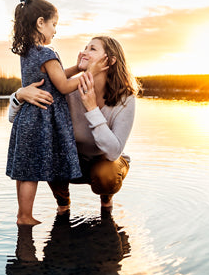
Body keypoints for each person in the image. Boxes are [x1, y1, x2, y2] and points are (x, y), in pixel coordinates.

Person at [9, 36, 139, 212]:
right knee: (50, 151)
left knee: (106, 175)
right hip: (71, 162)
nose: (84, 52)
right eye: (85, 47)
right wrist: (19, 95)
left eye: (92, 49)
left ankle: (106, 200)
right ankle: (63, 205)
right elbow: (14, 118)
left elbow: (114, 152)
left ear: (110, 60)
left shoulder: (126, 99)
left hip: (105, 162)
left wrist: (92, 108)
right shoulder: (68, 91)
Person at [6, 0, 95, 226]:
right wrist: (89, 74)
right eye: (54, 24)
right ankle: (25, 218)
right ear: (40, 23)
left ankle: (22, 214)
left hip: (26, 116)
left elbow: (53, 78)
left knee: (25, 171)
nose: (55, 30)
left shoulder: (27, 53)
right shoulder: (47, 53)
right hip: (41, 119)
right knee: (32, 173)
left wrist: (77, 68)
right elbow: (63, 86)